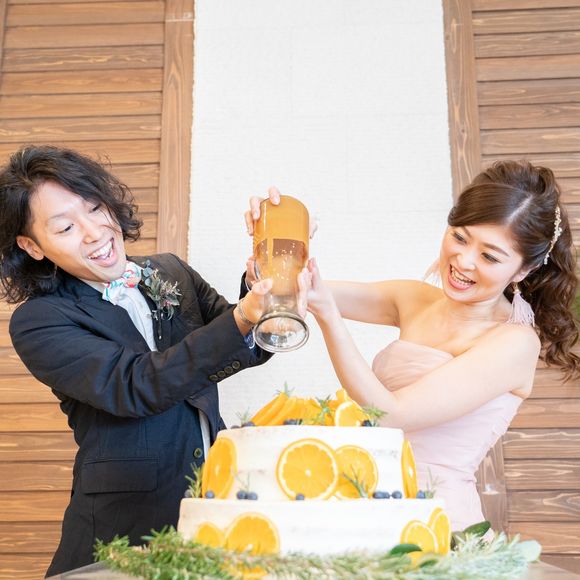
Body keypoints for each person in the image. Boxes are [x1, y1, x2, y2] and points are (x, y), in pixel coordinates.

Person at [252, 161, 579, 532]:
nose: (464, 261)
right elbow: (299, 291)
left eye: (489, 256)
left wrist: (329, 317)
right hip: (363, 511)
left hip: (437, 525)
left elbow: (389, 414)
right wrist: (281, 239)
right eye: (460, 237)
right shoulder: (415, 298)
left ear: (523, 269)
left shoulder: (514, 343)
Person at [0, 145, 274, 576]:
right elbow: (136, 386)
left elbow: (248, 345)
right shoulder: (39, 320)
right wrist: (243, 318)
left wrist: (268, 265)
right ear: (32, 246)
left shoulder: (170, 271)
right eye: (66, 227)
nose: (94, 232)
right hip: (121, 530)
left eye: (95, 208)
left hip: (212, 510)